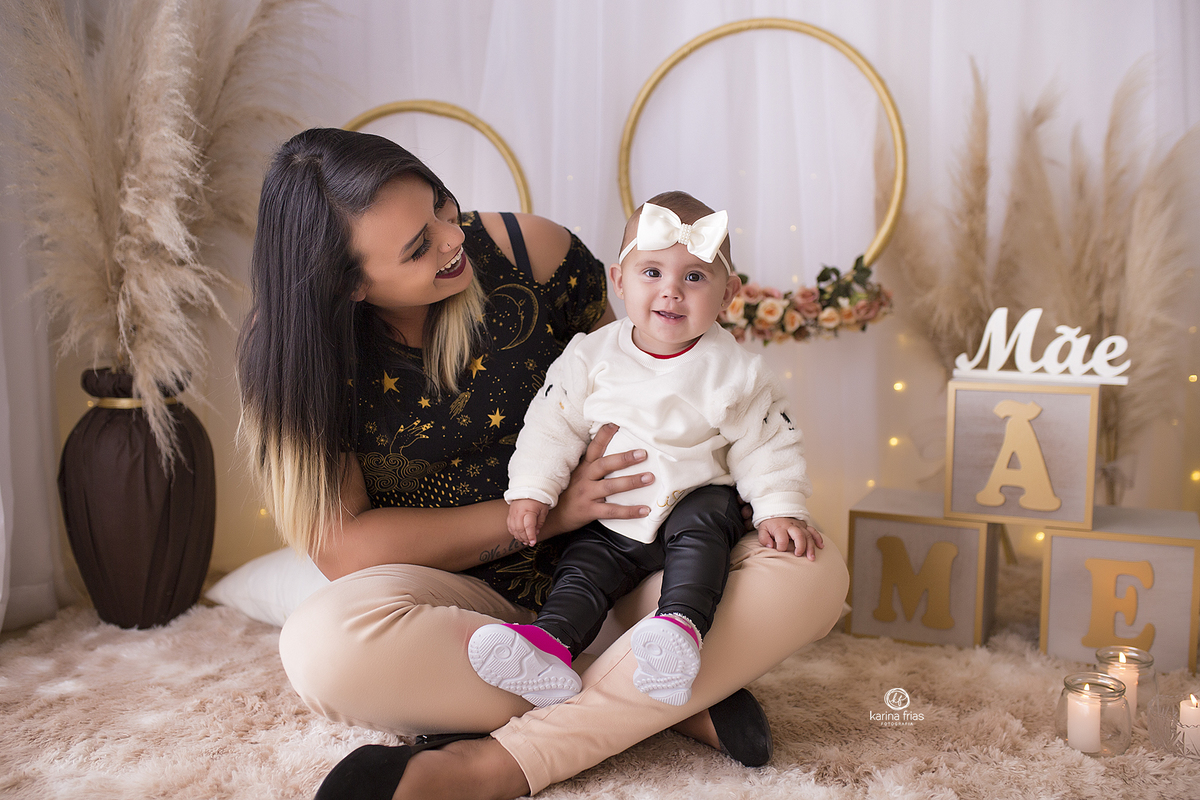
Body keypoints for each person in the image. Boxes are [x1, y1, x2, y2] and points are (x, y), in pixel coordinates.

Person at [237, 128, 849, 800]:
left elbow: (636, 386)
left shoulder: (536, 254)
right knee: (321, 647)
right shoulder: (296, 357)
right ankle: (660, 697)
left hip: (625, 567)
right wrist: (546, 512)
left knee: (811, 572)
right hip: (462, 600)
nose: (451, 239)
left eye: (444, 207)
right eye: (418, 247)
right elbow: (346, 549)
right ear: (349, 285)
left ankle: (489, 767)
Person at [468, 192, 824, 711]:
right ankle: (549, 646)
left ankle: (678, 629)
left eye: (695, 277)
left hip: (695, 503)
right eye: (651, 273)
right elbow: (551, 426)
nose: (672, 292)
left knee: (704, 530)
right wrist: (532, 491)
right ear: (619, 280)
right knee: (582, 568)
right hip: (613, 517)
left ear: (729, 294)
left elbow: (768, 442)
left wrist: (780, 508)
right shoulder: (590, 356)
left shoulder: (737, 371)